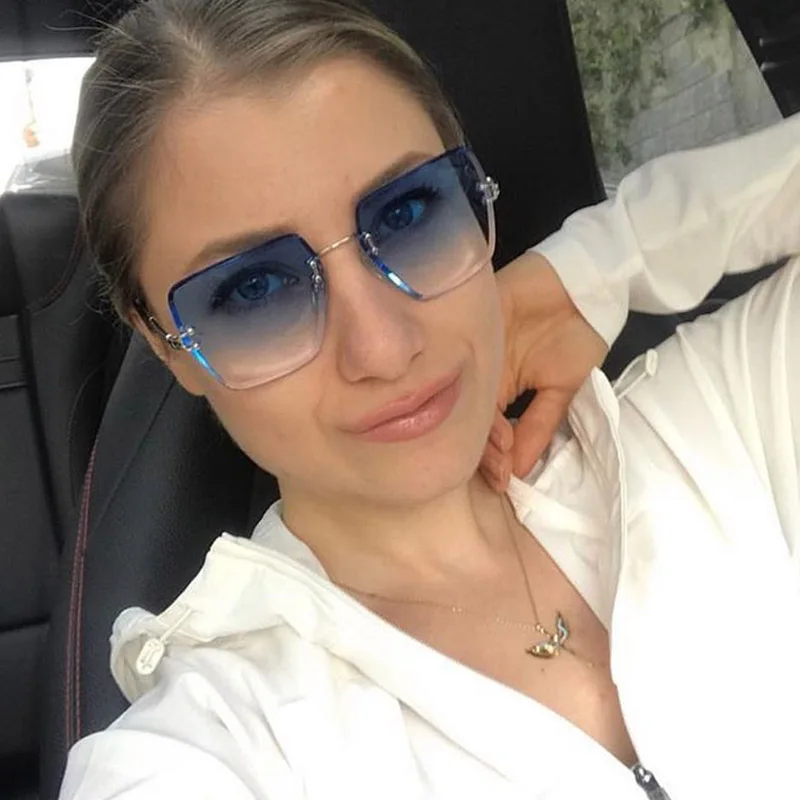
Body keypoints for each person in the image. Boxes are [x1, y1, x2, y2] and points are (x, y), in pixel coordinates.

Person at [58, 0, 800, 798]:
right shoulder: (202, 753)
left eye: (408, 213)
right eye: (255, 290)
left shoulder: (717, 418)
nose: (384, 348)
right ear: (165, 341)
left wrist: (600, 263)